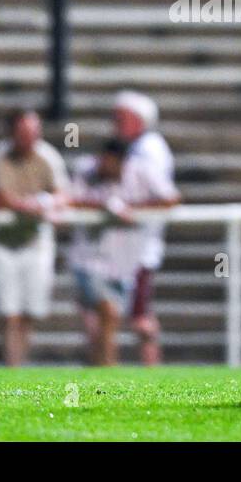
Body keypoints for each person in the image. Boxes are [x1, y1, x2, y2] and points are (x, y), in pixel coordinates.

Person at [0, 109, 69, 366]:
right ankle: (11, 366)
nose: (29, 138)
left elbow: (63, 194)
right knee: (8, 312)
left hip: (36, 241)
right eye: (23, 133)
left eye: (33, 132)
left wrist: (47, 202)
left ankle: (19, 365)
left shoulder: (48, 157)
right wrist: (27, 206)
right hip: (2, 241)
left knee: (30, 311)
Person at [67, 140, 152, 366]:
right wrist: (106, 206)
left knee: (107, 323)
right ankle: (108, 368)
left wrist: (132, 209)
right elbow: (70, 200)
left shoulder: (139, 174)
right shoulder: (86, 173)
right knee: (109, 313)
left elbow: (170, 197)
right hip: (88, 262)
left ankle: (99, 369)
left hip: (122, 264)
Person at [111, 90, 180, 365]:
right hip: (132, 243)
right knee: (131, 311)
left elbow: (164, 196)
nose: (115, 124)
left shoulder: (147, 150)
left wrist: (129, 209)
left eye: (121, 118)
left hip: (141, 243)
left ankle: (153, 368)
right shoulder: (141, 147)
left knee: (139, 315)